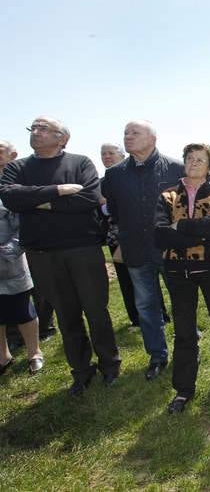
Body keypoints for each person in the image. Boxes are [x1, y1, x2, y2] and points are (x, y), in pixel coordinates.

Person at [0, 117, 120, 395]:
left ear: (62, 138)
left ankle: (110, 365)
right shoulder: (18, 167)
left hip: (83, 249)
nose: (36, 133)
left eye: (43, 129)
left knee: (96, 310)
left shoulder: (80, 163)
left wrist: (36, 202)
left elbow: (88, 199)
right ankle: (81, 371)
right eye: (33, 128)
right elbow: (9, 197)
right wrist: (59, 191)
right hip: (42, 253)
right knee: (67, 316)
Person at [154, 143, 210, 413]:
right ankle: (183, 390)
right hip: (178, 272)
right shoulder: (167, 195)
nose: (194, 163)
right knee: (184, 332)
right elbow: (159, 233)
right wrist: (198, 233)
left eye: (200, 159)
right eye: (190, 158)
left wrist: (182, 227)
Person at [102, 120, 184, 380]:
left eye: (135, 133)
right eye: (125, 132)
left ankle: (187, 348)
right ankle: (157, 356)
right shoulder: (114, 175)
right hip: (136, 250)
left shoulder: (176, 169)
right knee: (146, 306)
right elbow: (113, 210)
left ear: (153, 138)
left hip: (170, 250)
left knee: (181, 300)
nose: (128, 137)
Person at [0, 139, 43, 376]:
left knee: (22, 308)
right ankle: (3, 356)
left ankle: (34, 352)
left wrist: (9, 249)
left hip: (11, 261)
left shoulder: (16, 185)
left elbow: (22, 224)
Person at [100, 143, 140, 327]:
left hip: (139, 235)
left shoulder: (133, 176)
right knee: (125, 278)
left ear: (122, 156)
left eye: (111, 153)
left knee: (147, 277)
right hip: (115, 238)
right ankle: (135, 318)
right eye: (103, 153)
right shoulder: (100, 183)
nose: (106, 156)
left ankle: (160, 316)